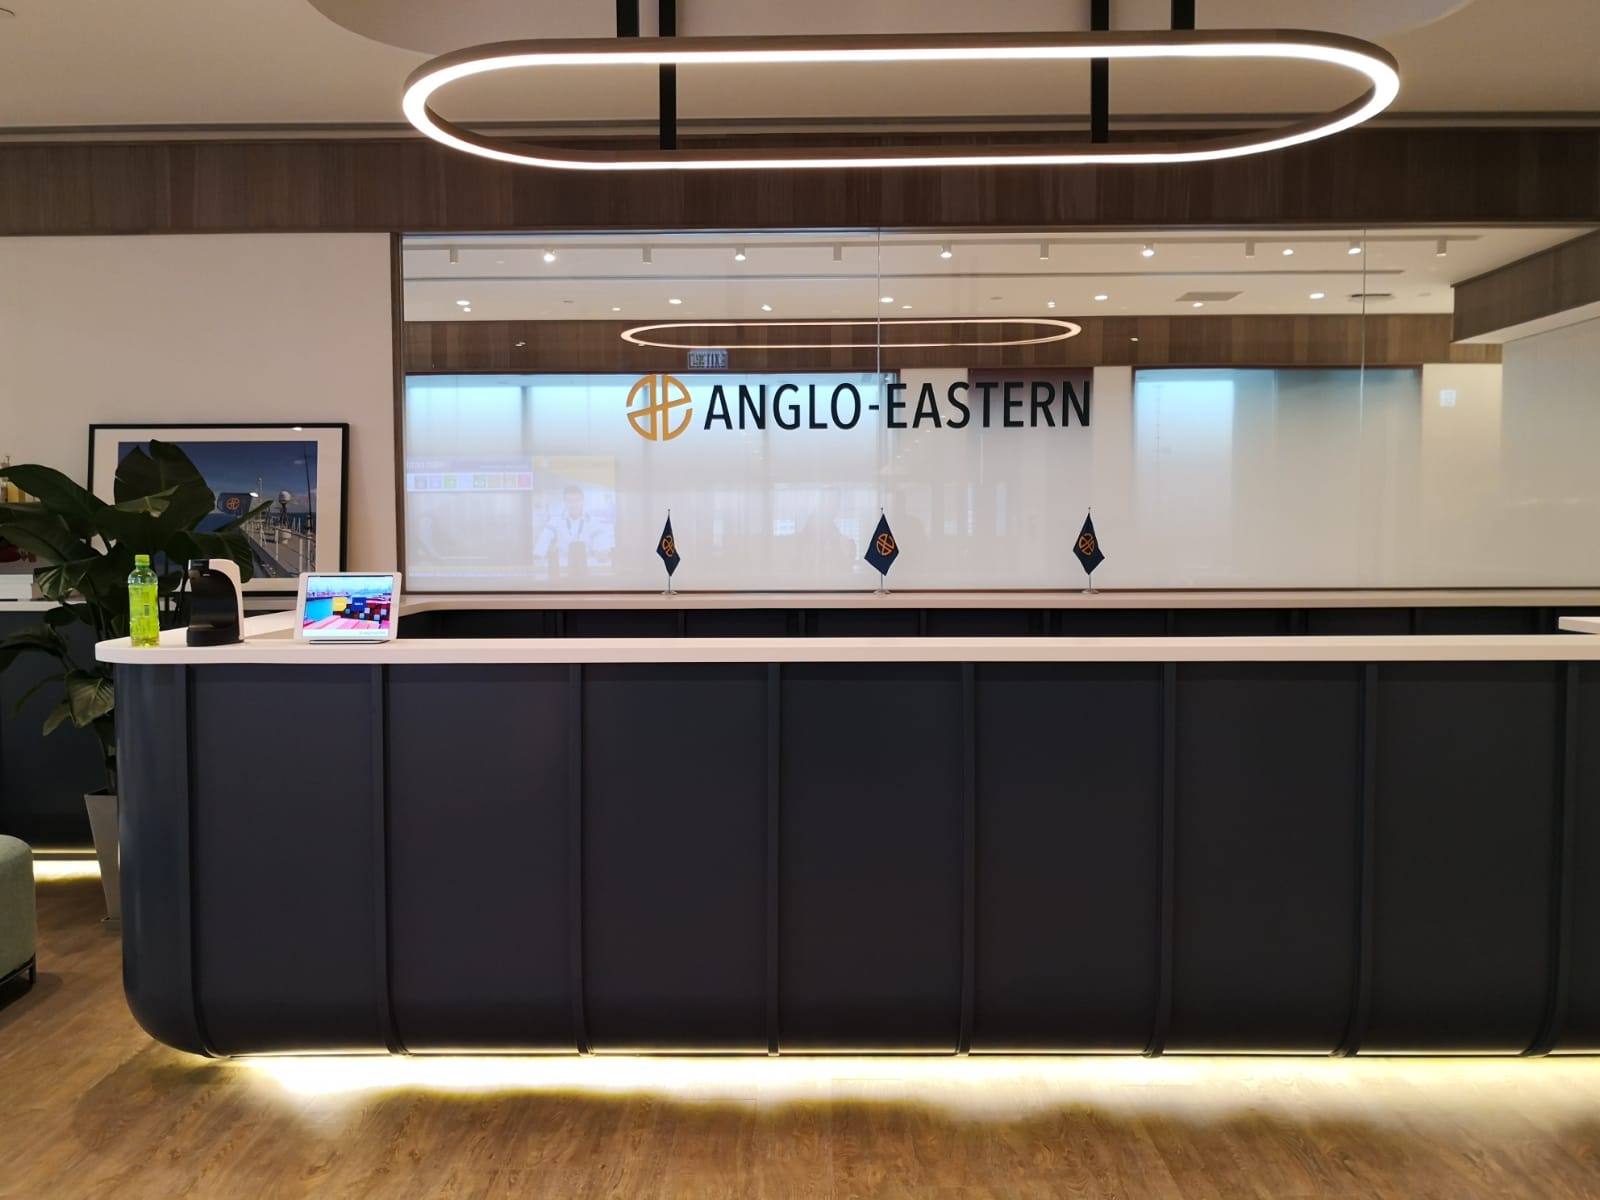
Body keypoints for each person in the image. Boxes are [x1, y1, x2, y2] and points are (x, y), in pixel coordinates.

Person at [534, 484, 614, 577]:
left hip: (588, 568)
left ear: (582, 501)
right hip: (563, 569)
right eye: (569, 501)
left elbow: (601, 550)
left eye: (577, 500)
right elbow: (543, 542)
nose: (573, 505)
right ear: (564, 502)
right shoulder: (555, 521)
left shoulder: (594, 522)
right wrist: (538, 555)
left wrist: (601, 553)